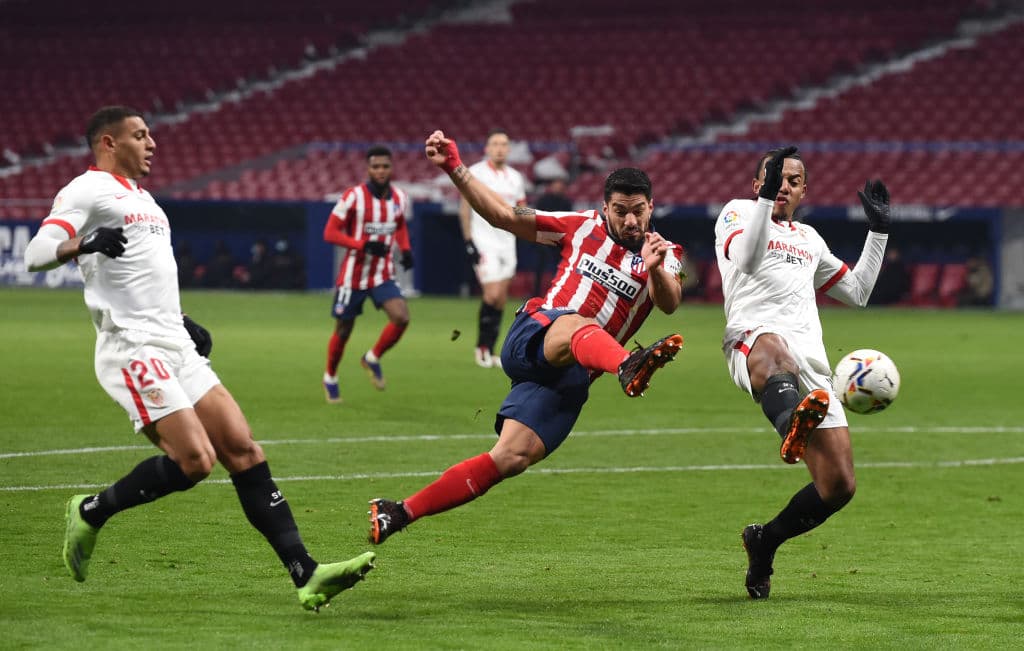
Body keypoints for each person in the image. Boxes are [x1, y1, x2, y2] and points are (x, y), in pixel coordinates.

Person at [24, 106, 375, 611]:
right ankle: (90, 510)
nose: (152, 143)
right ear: (108, 142)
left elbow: (145, 277)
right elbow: (38, 252)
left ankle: (307, 573)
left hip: (174, 342)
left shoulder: (146, 202)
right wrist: (82, 242)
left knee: (243, 449)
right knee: (194, 462)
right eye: (140, 135)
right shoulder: (86, 190)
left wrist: (182, 320)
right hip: (131, 346)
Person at [366, 130, 685, 547]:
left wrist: (656, 268)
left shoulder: (664, 251)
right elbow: (503, 215)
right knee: (577, 322)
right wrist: (453, 167)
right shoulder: (579, 226)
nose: (630, 220)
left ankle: (399, 511)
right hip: (536, 333)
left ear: (651, 207)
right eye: (621, 210)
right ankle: (627, 364)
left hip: (572, 376)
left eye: (638, 211)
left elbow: (670, 302)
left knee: (510, 458)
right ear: (604, 206)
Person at [713, 146, 890, 599]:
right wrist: (762, 202)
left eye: (793, 181)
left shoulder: (809, 239)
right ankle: (792, 422)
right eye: (775, 178)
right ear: (758, 185)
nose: (784, 186)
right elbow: (748, 260)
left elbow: (859, 292)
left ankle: (764, 541)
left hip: (812, 366)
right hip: (754, 342)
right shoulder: (737, 214)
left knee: (839, 486)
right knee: (775, 350)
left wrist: (879, 231)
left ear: (804, 190)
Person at [322, 145, 414, 402]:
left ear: (391, 168)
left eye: (385, 166)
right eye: (376, 167)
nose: (381, 171)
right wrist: (362, 244)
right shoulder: (353, 197)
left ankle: (371, 357)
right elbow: (329, 232)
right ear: (368, 169)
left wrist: (406, 250)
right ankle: (330, 376)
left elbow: (400, 225)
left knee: (401, 317)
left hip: (382, 273)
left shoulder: (400, 198)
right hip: (353, 276)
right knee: (343, 330)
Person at [459, 128, 527, 368]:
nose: (499, 148)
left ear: (508, 150)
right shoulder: (475, 173)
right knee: (492, 294)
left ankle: (491, 349)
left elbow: (522, 208)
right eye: (495, 144)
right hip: (483, 241)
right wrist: (468, 240)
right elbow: (465, 208)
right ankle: (481, 348)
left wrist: (534, 224)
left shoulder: (515, 178)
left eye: (504, 144)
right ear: (487, 148)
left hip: (508, 243)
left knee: (501, 300)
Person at [531, 177, 573, 296]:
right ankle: (536, 293)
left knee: (560, 268)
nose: (559, 187)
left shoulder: (566, 202)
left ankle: (557, 293)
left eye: (561, 185)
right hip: (543, 238)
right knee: (539, 268)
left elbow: (568, 222)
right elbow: (536, 218)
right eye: (557, 184)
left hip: (559, 240)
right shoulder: (544, 200)